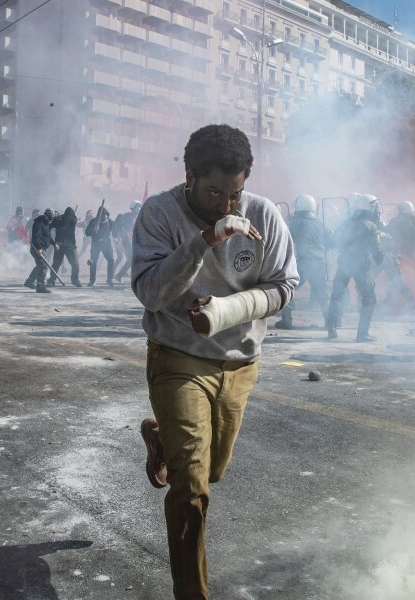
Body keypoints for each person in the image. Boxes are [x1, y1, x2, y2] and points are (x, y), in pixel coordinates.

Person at [132, 124, 297, 600]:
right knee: (191, 489)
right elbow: (150, 292)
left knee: (213, 470)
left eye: (235, 193)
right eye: (214, 192)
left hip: (239, 362)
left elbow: (285, 285)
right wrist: (204, 240)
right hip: (178, 358)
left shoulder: (263, 214)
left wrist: (229, 310)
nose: (227, 204)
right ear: (189, 176)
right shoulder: (160, 213)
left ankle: (163, 438)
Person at [326, 193, 384, 342]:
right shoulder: (370, 226)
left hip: (344, 263)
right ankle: (362, 334)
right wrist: (380, 258)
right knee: (369, 299)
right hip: (361, 266)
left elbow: (334, 241)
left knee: (336, 296)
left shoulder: (345, 223)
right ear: (369, 207)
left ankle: (331, 330)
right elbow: (376, 248)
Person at [276, 193, 329, 329]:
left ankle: (287, 321)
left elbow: (286, 237)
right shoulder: (319, 223)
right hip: (319, 263)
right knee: (323, 294)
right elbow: (330, 241)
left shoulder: (297, 222)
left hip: (304, 263)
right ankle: (331, 324)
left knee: (288, 287)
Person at [48, 207, 81, 287]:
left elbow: (72, 220)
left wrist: (59, 221)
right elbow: (49, 227)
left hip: (70, 246)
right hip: (59, 245)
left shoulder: (73, 219)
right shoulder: (58, 219)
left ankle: (75, 280)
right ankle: (52, 280)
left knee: (75, 264)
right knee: (56, 264)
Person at [25, 208, 55, 293]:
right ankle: (40, 286)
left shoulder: (46, 224)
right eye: (50, 218)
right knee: (43, 266)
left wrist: (54, 243)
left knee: (40, 265)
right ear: (47, 216)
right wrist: (39, 248)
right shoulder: (38, 223)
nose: (51, 220)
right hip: (37, 248)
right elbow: (36, 237)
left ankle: (29, 282)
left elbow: (48, 237)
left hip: (42, 248)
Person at [85, 206, 116, 287]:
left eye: (106, 215)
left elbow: (115, 231)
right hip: (96, 244)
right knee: (93, 261)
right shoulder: (94, 221)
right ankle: (92, 280)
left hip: (106, 244)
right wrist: (93, 230)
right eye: (103, 216)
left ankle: (110, 279)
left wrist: (116, 237)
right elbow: (87, 232)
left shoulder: (109, 221)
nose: (105, 217)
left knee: (111, 260)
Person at [114, 200, 142, 282]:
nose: (139, 209)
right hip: (126, 240)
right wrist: (119, 239)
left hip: (132, 240)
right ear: (134, 208)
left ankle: (122, 275)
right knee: (131, 258)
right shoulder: (128, 216)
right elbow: (124, 229)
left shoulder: (136, 217)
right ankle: (119, 275)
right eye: (138, 207)